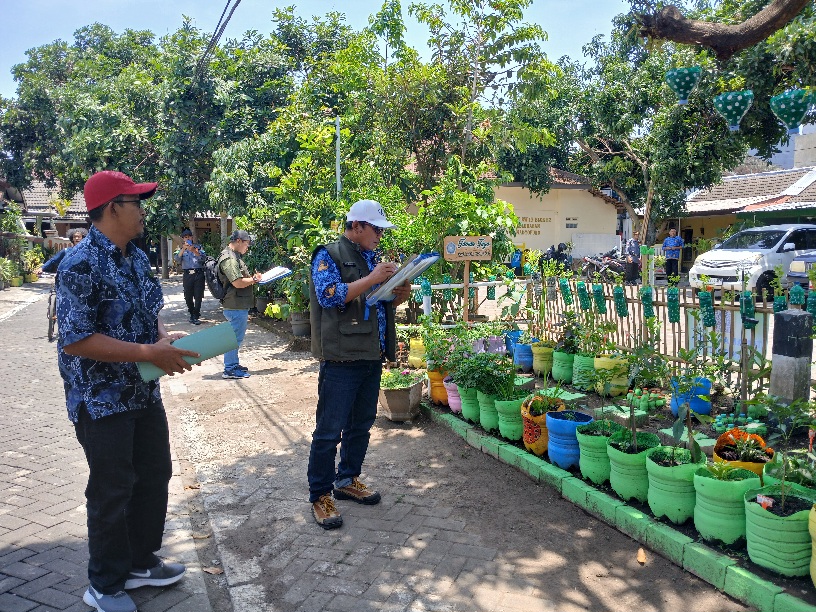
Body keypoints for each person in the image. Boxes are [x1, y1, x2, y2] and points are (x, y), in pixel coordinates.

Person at [56, 171, 198, 612]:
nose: (143, 210)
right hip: (101, 401)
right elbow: (76, 339)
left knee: (154, 476)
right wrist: (146, 351)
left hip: (142, 391)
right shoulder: (78, 263)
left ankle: (139, 562)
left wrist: (161, 340)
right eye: (136, 202)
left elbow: (149, 312)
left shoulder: (135, 258)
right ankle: (104, 584)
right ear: (113, 207)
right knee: (111, 490)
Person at [307, 199, 411, 529]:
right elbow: (330, 295)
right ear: (357, 227)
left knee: (361, 425)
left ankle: (347, 479)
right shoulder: (329, 254)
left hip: (371, 354)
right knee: (328, 431)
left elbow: (377, 300)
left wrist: (399, 290)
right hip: (341, 357)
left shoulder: (371, 258)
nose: (380, 235)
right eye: (376, 229)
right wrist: (374, 277)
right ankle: (320, 495)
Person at [217, 229, 262, 380]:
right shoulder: (229, 259)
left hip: (238, 304)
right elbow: (237, 282)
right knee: (234, 338)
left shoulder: (234, 256)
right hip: (234, 305)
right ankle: (229, 369)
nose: (247, 247)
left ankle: (233, 364)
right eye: (246, 244)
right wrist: (254, 280)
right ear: (238, 241)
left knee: (236, 337)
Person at [174, 228, 206, 325]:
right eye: (185, 237)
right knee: (188, 296)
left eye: (189, 237)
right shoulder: (180, 249)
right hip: (188, 275)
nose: (187, 239)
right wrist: (183, 249)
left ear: (192, 237)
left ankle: (196, 315)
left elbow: (203, 258)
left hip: (198, 274)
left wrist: (194, 251)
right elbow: (177, 260)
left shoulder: (198, 247)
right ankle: (191, 313)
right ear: (183, 239)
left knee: (198, 295)